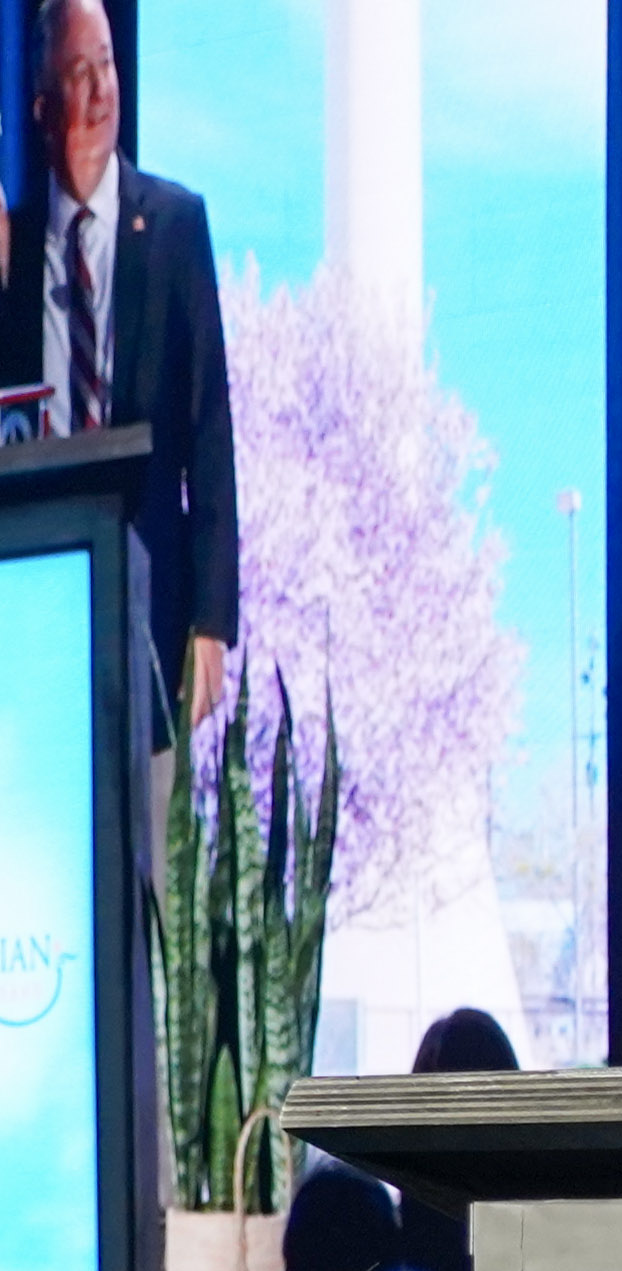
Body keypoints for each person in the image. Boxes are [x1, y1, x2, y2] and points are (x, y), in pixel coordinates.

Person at [3, 0, 234, 743]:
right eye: (80, 73)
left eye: (107, 65)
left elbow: (209, 434)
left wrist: (212, 622)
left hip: (153, 620)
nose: (103, 91)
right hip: (34, 623)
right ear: (42, 110)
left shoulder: (173, 228)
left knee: (151, 811)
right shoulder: (12, 253)